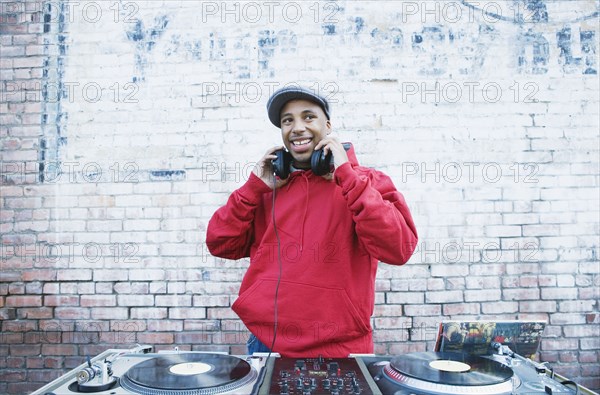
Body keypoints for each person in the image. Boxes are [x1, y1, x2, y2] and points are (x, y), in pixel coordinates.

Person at [206, 86, 418, 357]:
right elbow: (220, 244)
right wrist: (252, 189)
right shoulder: (265, 188)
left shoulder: (367, 182)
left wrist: (348, 178)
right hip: (267, 345)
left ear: (327, 126)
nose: (297, 127)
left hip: (342, 349)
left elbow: (399, 249)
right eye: (288, 120)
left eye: (308, 117)